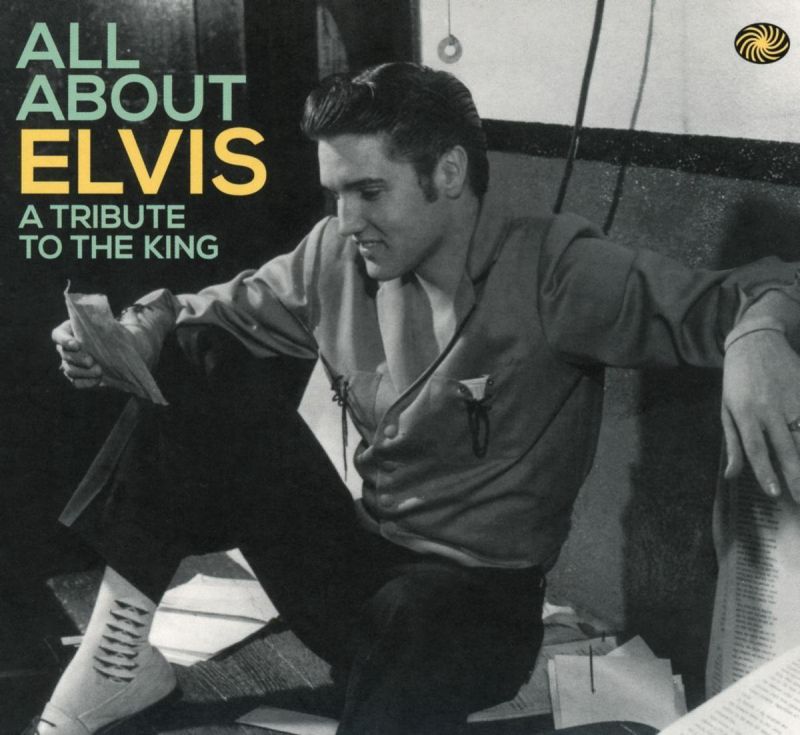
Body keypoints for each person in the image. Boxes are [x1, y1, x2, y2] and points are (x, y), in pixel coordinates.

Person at [37, 62, 800, 735]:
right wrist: (135, 333)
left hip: (475, 613)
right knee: (194, 355)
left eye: (370, 191)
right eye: (336, 193)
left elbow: (764, 286)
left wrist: (757, 335)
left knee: (419, 611)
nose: (347, 221)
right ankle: (118, 656)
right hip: (356, 570)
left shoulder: (558, 270)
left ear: (448, 172)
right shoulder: (335, 253)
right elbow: (206, 314)